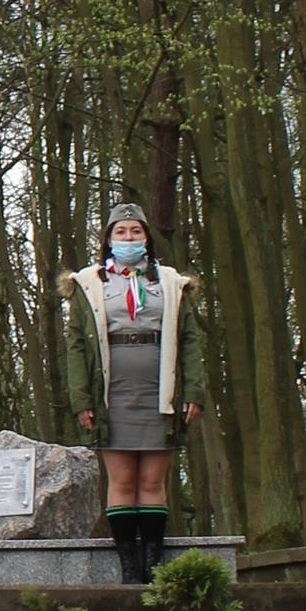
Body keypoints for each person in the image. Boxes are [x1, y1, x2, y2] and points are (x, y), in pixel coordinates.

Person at [59, 202, 206, 587]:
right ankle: (129, 571)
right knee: (121, 481)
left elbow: (189, 339)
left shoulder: (171, 284)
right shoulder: (88, 284)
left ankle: (154, 565)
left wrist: (193, 391)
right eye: (120, 232)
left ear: (147, 238)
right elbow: (75, 345)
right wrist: (82, 400)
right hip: (111, 393)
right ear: (108, 240)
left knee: (153, 483)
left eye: (135, 232)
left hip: (159, 391)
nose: (128, 238)